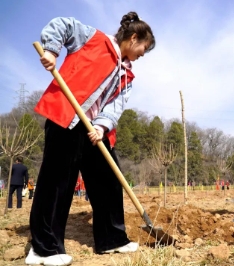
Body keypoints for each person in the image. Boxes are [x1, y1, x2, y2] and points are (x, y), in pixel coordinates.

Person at [26, 12, 155, 266]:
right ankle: (43, 249)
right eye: (144, 48)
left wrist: (102, 126)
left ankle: (111, 239)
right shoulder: (93, 39)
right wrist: (52, 50)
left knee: (109, 179)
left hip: (93, 130)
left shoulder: (127, 75)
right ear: (133, 37)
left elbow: (115, 106)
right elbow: (62, 24)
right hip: (67, 117)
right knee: (58, 182)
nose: (143, 54)